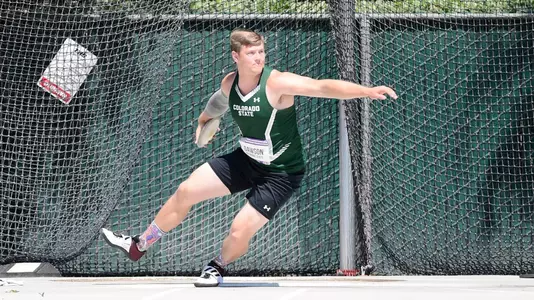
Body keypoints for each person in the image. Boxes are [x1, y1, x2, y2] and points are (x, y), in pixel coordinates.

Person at [101, 28, 397, 287]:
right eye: (252, 53)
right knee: (186, 191)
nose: (259, 57)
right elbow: (219, 101)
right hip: (246, 160)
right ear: (236, 57)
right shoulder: (231, 83)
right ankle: (139, 245)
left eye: (262, 51)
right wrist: (204, 120)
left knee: (239, 230)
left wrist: (366, 91)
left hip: (281, 174)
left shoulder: (277, 83)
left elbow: (321, 86)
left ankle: (217, 266)